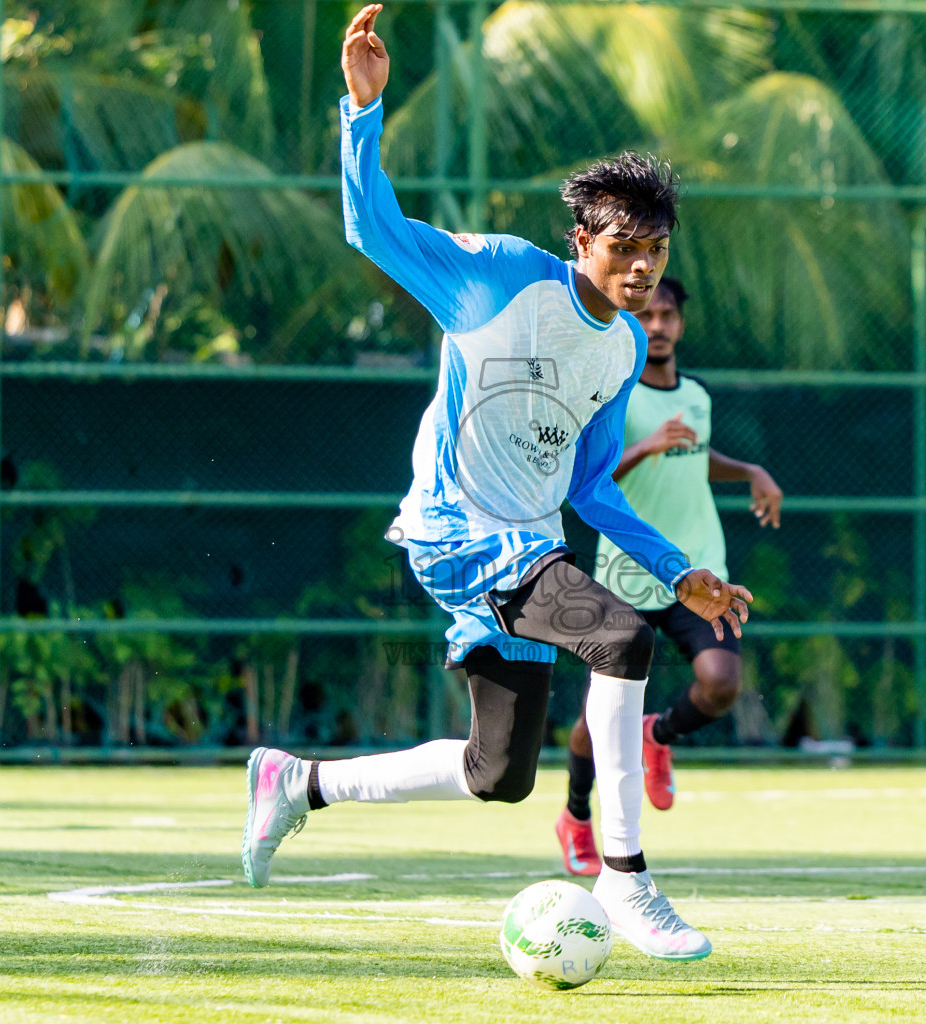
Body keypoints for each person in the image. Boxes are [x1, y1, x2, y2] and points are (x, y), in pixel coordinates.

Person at [241, 4, 753, 963]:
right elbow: (370, 227)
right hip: (457, 531)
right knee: (621, 638)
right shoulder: (495, 276)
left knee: (499, 773)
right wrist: (363, 112)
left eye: (657, 252)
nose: (641, 268)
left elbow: (593, 486)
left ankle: (297, 784)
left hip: (531, 547)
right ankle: (627, 877)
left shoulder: (628, 344)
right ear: (581, 238)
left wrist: (678, 569)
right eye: (623, 247)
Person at [555, 277, 783, 876]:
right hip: (626, 573)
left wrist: (751, 470)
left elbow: (696, 455)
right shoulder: (615, 394)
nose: (657, 326)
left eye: (668, 316)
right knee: (595, 719)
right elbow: (590, 479)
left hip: (698, 569)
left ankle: (659, 736)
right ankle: (577, 813)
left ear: (680, 324)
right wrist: (648, 445)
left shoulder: (698, 397)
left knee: (721, 683)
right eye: (648, 315)